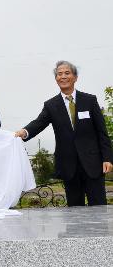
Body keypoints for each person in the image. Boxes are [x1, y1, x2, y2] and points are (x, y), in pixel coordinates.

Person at [15, 60, 113, 206]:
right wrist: (24, 132)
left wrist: (107, 158)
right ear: (56, 79)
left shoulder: (90, 100)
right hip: (69, 166)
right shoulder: (51, 105)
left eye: (67, 73)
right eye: (59, 74)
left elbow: (102, 133)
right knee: (74, 212)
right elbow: (39, 123)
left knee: (99, 208)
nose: (63, 77)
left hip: (93, 165)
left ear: (75, 77)